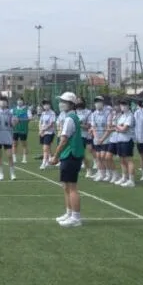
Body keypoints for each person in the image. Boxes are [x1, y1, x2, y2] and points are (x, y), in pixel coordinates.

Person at [50, 92, 85, 227]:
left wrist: (55, 156)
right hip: (68, 155)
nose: (61, 103)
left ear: (70, 104)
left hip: (71, 155)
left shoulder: (70, 118)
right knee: (66, 186)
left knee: (72, 187)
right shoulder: (69, 117)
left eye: (63, 101)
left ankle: (76, 217)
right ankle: (69, 212)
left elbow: (64, 140)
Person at [37, 99, 57, 170]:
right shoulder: (43, 113)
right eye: (44, 104)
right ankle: (50, 160)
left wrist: (43, 129)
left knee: (45, 148)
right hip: (43, 132)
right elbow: (40, 122)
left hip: (49, 132)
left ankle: (43, 163)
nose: (45, 106)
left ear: (50, 105)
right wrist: (40, 130)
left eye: (47, 104)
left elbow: (51, 124)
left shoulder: (52, 113)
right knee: (47, 148)